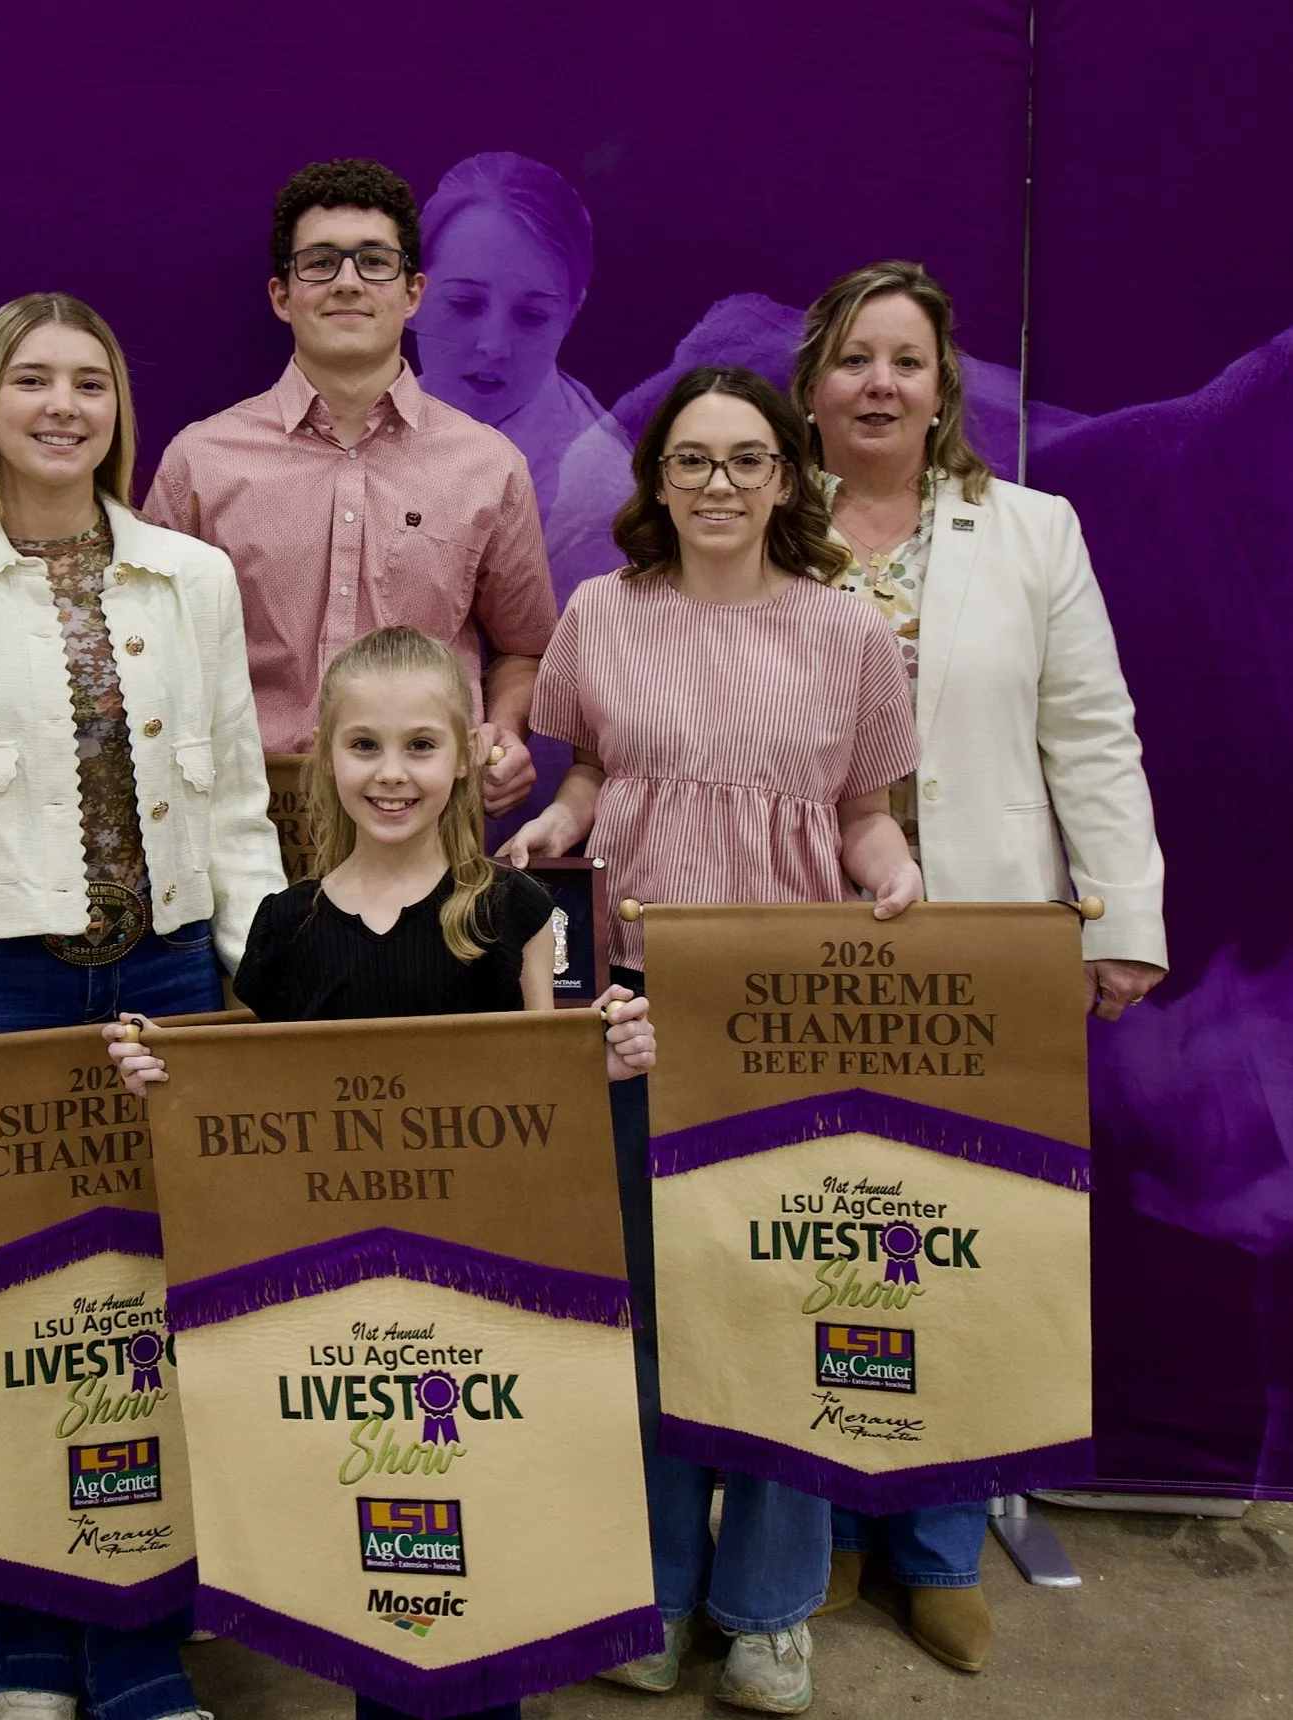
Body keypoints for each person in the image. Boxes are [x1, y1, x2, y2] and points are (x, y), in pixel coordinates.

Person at [0, 292, 285, 1720]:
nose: (64, 406)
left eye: (91, 383)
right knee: (15, 1324)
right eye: (34, 382)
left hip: (170, 980)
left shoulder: (192, 579)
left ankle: (138, 1640)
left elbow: (244, 813)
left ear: (117, 411)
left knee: (155, 1321)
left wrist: (264, 984)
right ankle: (25, 1633)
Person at [103, 624, 657, 1720]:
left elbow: (553, 1093)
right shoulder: (282, 925)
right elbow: (243, 1101)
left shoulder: (514, 914)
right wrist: (159, 1072)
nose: (391, 773)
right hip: (337, 1302)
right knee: (379, 1538)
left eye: (417, 745)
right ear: (323, 756)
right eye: (364, 746)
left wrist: (605, 1059)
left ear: (463, 757)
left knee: (479, 1540)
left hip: (483, 1289)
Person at [498, 366, 922, 1715]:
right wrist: (561, 827)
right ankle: (654, 1593)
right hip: (627, 1008)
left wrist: (894, 863)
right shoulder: (599, 615)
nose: (721, 485)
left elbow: (865, 810)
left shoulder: (851, 637)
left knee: (782, 1313)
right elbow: (586, 774)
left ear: (789, 479)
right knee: (641, 1318)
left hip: (791, 1021)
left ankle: (770, 1611)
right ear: (658, 481)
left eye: (747, 461)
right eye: (694, 461)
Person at [791, 259, 1168, 1674]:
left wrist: (1121, 913)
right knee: (814, 1232)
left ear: (945, 386)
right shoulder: (762, 520)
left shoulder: (1034, 532)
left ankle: (941, 1544)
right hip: (799, 942)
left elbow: (1093, 730)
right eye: (854, 360)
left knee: (956, 1242)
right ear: (813, 385)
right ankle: (821, 1529)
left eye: (907, 360)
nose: (880, 384)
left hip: (987, 940)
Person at [143, 158, 556, 817]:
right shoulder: (201, 464)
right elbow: (148, 653)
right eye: (320, 263)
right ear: (282, 295)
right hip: (245, 824)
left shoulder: (489, 466)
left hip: (425, 821)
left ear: (414, 292)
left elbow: (523, 647)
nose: (347, 282)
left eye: (373, 261)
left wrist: (503, 731)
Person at [409, 151, 630, 597]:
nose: (493, 344)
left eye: (531, 315)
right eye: (465, 304)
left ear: (571, 313)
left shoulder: (597, 502)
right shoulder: (361, 420)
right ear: (409, 295)